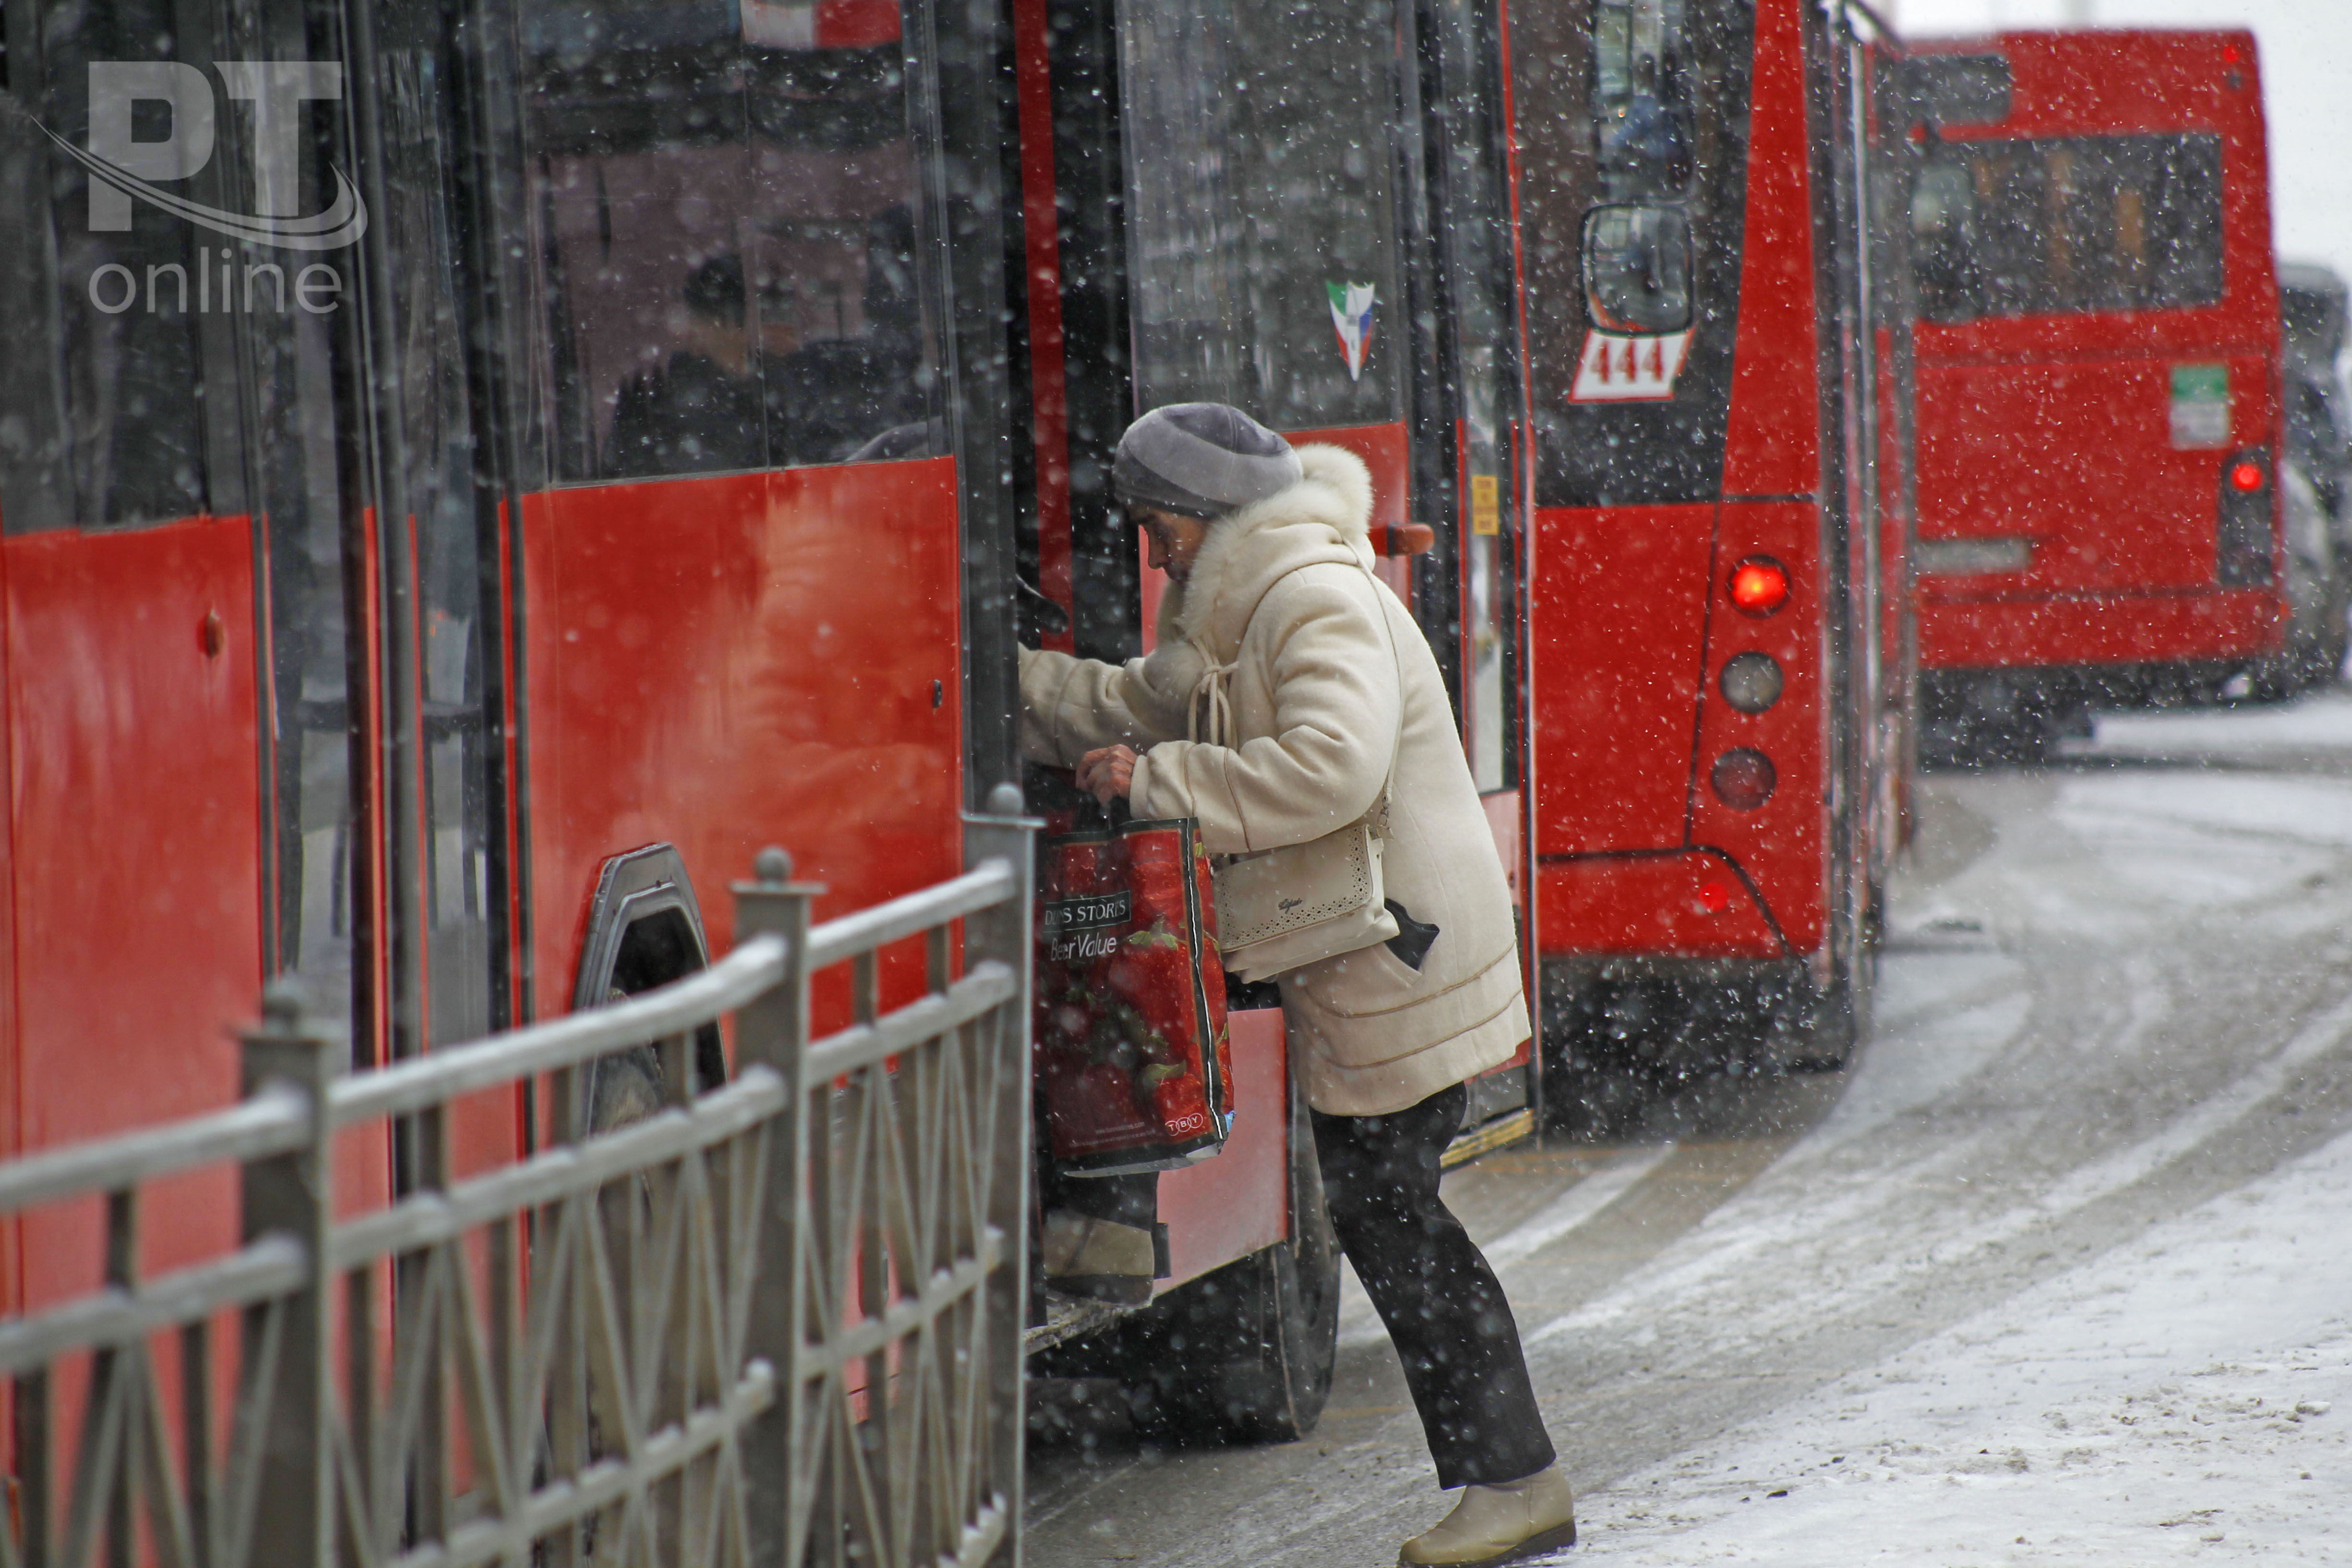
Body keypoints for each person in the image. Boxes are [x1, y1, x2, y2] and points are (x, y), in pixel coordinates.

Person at [1017, 403, 1576, 1566]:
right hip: (1376, 952)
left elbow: (1331, 766)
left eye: (1163, 526)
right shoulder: (1248, 605)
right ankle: (1509, 1480)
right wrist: (1016, 685)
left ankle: (1515, 1481)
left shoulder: (1308, 598)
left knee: (1398, 1220)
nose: (1156, 550)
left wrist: (1161, 780)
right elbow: (1138, 703)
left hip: (1398, 954)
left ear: (1213, 516)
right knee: (1394, 1215)